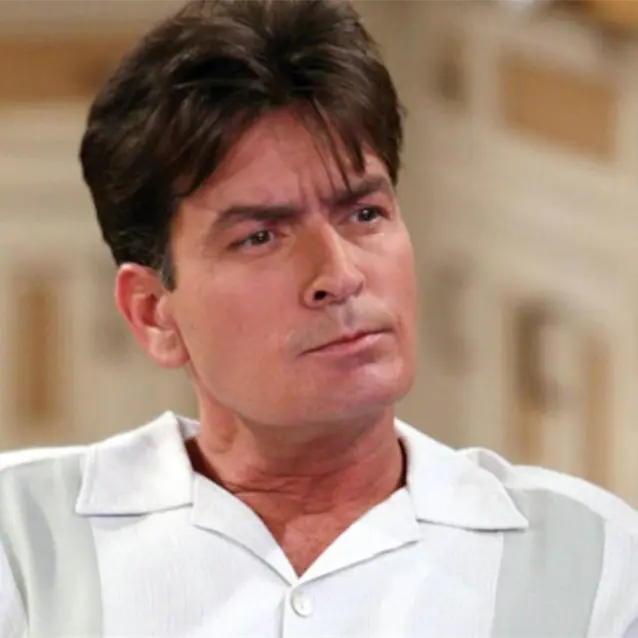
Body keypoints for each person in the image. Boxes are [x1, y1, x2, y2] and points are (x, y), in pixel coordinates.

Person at [0, 0, 637, 635]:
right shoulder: (22, 546)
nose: (339, 274)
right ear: (153, 314)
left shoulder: (591, 565)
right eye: (259, 237)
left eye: (364, 214)